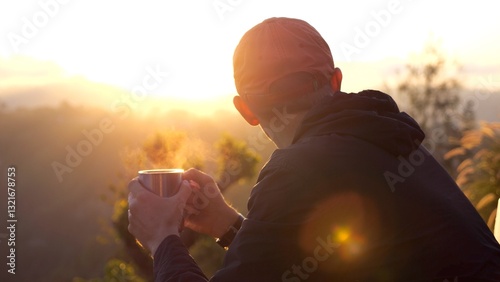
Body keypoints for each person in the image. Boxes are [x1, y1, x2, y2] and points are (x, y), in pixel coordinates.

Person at [127, 17, 500, 281]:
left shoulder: (297, 168)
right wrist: (225, 224)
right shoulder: (389, 140)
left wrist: (162, 239)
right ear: (336, 81)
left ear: (246, 111)